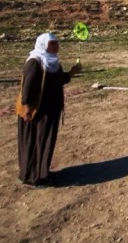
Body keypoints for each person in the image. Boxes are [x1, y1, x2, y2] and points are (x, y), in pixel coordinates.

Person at [17, 33, 81, 186]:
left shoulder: (53, 63)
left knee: (45, 141)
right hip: (36, 111)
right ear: (43, 44)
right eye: (53, 43)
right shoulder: (35, 61)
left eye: (56, 43)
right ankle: (32, 176)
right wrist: (27, 109)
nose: (56, 46)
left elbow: (60, 80)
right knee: (34, 142)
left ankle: (43, 172)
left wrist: (72, 72)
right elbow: (28, 87)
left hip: (51, 110)